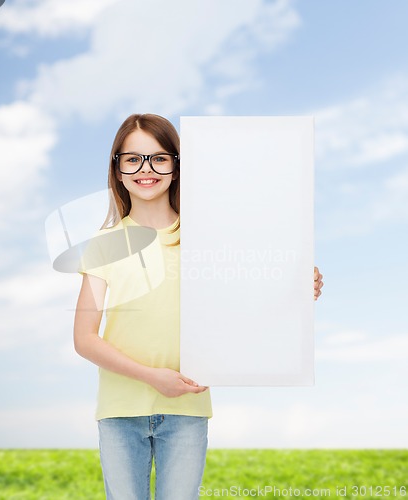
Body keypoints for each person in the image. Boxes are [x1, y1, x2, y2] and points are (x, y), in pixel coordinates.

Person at [73, 113, 324, 500]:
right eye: (133, 159)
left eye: (159, 158)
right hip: (120, 410)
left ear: (176, 166)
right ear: (117, 169)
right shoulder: (104, 244)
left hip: (188, 409)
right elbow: (85, 339)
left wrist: (294, 288)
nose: (146, 169)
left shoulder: (207, 239)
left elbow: (244, 301)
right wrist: (152, 376)